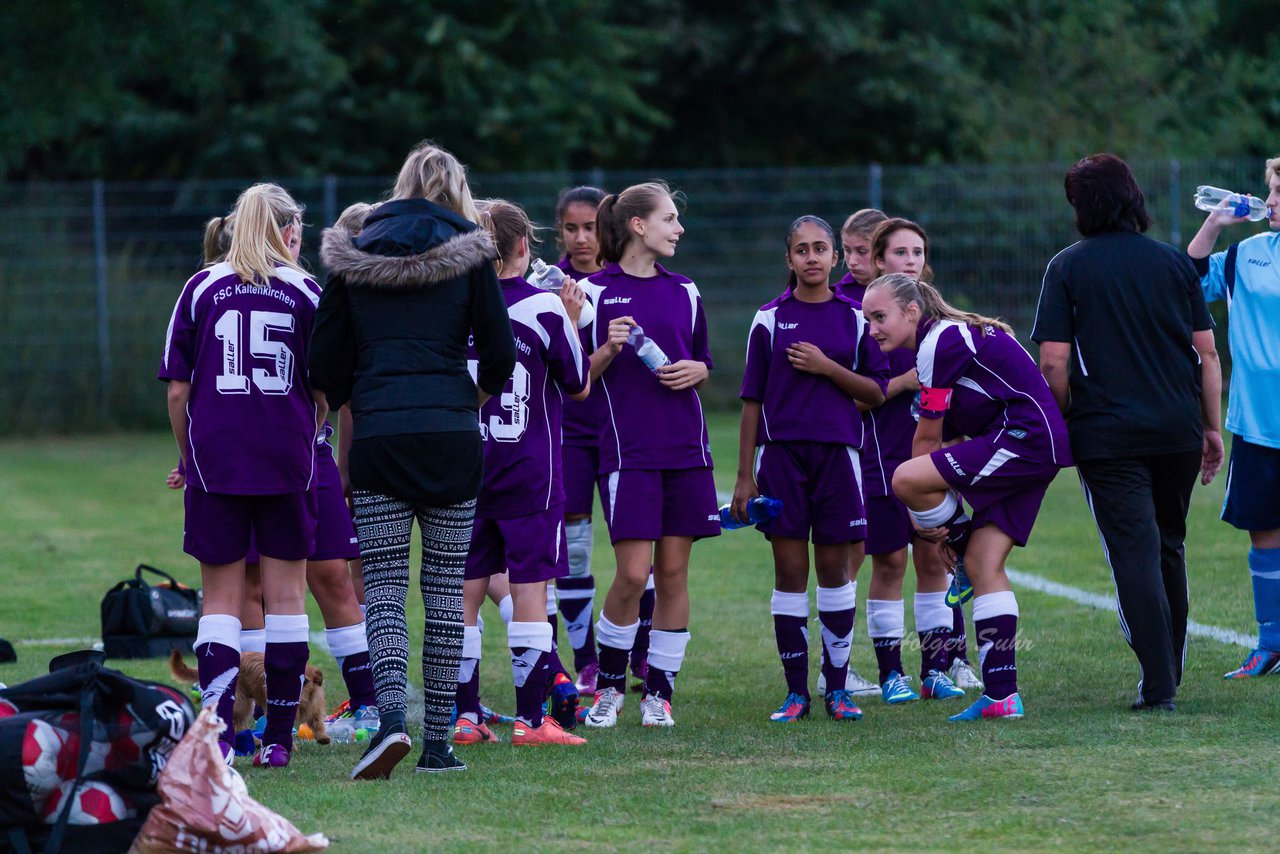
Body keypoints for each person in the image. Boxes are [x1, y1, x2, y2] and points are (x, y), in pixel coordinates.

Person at [312, 142, 517, 779]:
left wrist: (359, 399)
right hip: (453, 438)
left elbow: (323, 361)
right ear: (457, 190)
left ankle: (391, 722)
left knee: (385, 591)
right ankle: (439, 743)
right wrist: (467, 397)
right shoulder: (474, 255)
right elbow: (502, 355)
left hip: (378, 439)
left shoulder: (353, 255)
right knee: (445, 590)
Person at [1034, 154, 1223, 711]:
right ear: (1134, 197)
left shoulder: (1067, 267)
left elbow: (1052, 362)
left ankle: (1159, 683)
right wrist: (1210, 427)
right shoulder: (1172, 263)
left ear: (1082, 207)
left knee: (1133, 553)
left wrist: (1066, 416)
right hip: (1178, 428)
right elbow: (1207, 354)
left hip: (1109, 434)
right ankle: (1171, 671)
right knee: (1169, 544)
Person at [195, 203, 379, 741]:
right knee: (253, 587)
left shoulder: (297, 291)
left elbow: (331, 387)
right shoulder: (233, 287)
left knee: (327, 578)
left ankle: (363, 700)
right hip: (264, 459)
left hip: (296, 458)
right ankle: (254, 722)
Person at [158, 183, 325, 767]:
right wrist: (309, 430)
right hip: (286, 461)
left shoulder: (201, 287)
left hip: (218, 461)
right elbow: (324, 388)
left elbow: (179, 389)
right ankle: (279, 740)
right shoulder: (306, 290)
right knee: (286, 600)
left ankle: (222, 739)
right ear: (287, 232)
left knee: (221, 603)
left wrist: (189, 454)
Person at [863, 272, 1072, 721]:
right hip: (1034, 443)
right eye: (867, 319)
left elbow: (925, 445)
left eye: (880, 317)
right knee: (981, 564)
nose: (873, 328)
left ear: (912, 311)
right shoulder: (945, 339)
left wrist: (935, 530)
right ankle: (1002, 697)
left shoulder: (938, 341)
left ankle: (957, 537)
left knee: (904, 479)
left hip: (1024, 439)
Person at [733, 215, 888, 723]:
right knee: (789, 573)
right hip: (780, 460)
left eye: (821, 248)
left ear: (836, 257)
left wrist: (827, 367)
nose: (812, 257)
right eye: (802, 250)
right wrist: (744, 476)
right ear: (789, 259)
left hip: (839, 457)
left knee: (835, 572)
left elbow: (876, 391)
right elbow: (751, 401)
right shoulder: (769, 319)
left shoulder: (855, 317)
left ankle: (837, 690)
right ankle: (795, 692)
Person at [453, 200, 591, 747]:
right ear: (521, 248)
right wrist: (574, 321)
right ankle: (534, 721)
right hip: (528, 472)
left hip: (464, 470)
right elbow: (578, 383)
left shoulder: (454, 308)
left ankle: (465, 717)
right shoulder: (545, 309)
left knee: (462, 594)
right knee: (531, 591)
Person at [582, 181, 720, 728]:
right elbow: (576, 380)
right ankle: (609, 688)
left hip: (685, 449)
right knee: (632, 575)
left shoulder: (685, 289)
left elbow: (703, 360)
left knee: (674, 573)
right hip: (627, 452)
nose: (678, 228)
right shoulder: (592, 291)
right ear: (638, 224)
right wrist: (609, 347)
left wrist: (700, 370)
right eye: (669, 218)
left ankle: (658, 693)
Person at [857, 219, 980, 705]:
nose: (910, 260)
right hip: (885, 458)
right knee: (889, 562)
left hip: (935, 460)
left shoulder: (937, 329)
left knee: (934, 558)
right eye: (899, 252)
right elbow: (855, 394)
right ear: (877, 259)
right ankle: (891, 673)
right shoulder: (870, 324)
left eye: (918, 251)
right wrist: (902, 383)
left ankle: (936, 669)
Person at [1186, 155, 1278, 680]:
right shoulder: (1248, 253)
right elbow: (1189, 282)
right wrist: (1213, 225)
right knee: (1263, 530)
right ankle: (1270, 643)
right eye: (1272, 191)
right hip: (1259, 421)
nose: (1271, 202)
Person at [551, 185, 615, 695]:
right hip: (568, 433)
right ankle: (587, 660)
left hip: (622, 432)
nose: (581, 238)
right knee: (573, 549)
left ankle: (634, 654)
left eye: (591, 227)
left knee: (637, 542)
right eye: (571, 228)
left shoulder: (627, 282)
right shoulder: (547, 285)